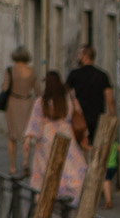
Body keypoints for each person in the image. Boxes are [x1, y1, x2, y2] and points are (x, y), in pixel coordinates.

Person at [24, 70, 87, 203]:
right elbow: (79, 115)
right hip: (66, 134)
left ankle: (47, 196)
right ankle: (70, 195)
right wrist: (84, 137)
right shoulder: (69, 99)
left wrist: (28, 141)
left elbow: (35, 124)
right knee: (69, 165)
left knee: (47, 168)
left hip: (46, 138)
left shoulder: (41, 102)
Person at [67, 42, 117, 205]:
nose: (78, 57)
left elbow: (67, 95)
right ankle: (97, 187)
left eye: (80, 54)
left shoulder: (74, 74)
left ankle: (83, 185)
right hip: (99, 119)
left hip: (80, 119)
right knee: (98, 153)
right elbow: (110, 100)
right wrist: (112, 119)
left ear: (86, 56)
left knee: (81, 152)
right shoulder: (102, 75)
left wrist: (72, 110)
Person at [0, 48, 37, 176]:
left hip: (13, 103)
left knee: (12, 136)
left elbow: (5, 87)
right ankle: (26, 162)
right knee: (26, 136)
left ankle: (13, 167)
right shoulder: (32, 72)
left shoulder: (10, 71)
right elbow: (38, 90)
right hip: (27, 103)